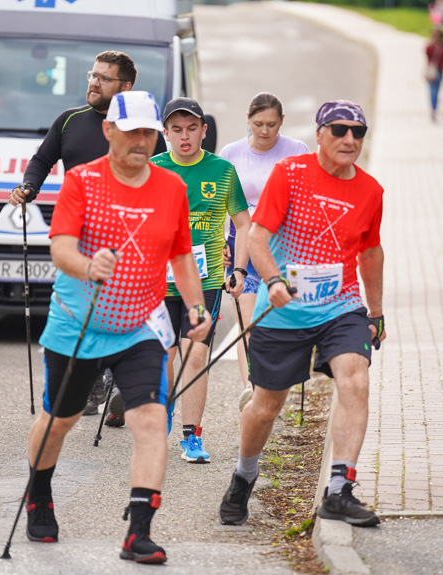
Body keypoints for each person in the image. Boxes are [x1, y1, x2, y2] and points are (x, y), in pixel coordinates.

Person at [8, 91, 212, 563]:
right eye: (132, 132)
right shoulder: (82, 182)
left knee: (150, 420)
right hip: (79, 322)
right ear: (108, 131)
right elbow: (59, 248)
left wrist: (197, 307)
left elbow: (181, 254)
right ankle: (39, 491)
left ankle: (138, 530)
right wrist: (86, 266)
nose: (141, 141)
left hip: (140, 324)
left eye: (148, 133)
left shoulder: (170, 188)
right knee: (59, 421)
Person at [218, 100, 386, 528]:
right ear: (320, 135)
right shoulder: (291, 174)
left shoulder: (370, 191)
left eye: (358, 132)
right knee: (266, 405)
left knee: (356, 377)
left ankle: (338, 490)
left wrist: (377, 312)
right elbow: (258, 237)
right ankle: (243, 476)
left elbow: (370, 253)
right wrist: (273, 280)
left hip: (341, 305)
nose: (350, 139)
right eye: (340, 130)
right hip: (286, 309)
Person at [12, 50, 166, 417]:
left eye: (103, 78)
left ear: (125, 87)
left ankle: (116, 382)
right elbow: (41, 161)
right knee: (82, 309)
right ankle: (93, 384)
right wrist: (28, 187)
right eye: (92, 76)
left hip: (132, 236)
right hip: (79, 238)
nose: (93, 83)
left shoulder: (143, 133)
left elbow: (162, 176)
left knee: (123, 310)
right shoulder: (70, 121)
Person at [150, 97, 251, 463]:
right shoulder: (153, 169)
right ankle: (163, 412)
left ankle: (191, 436)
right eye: (176, 130)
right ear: (165, 134)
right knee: (165, 353)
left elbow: (243, 222)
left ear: (204, 131)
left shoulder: (222, 170)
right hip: (160, 279)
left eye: (192, 128)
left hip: (205, 280)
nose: (185, 136)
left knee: (197, 353)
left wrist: (238, 269)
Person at [219, 92, 310, 412]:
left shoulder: (297, 151)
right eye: (258, 124)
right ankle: (251, 389)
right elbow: (220, 206)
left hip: (283, 251)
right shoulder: (231, 153)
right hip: (241, 248)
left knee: (276, 324)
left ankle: (272, 385)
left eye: (272, 124)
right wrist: (221, 246)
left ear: (282, 122)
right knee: (248, 323)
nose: (265, 131)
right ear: (248, 120)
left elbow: (305, 203)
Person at [425, 28, 443, 121]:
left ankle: (434, 108)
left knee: (435, 91)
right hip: (434, 71)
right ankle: (434, 108)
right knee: (434, 91)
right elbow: (427, 53)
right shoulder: (433, 46)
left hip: (439, 71)